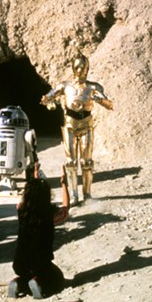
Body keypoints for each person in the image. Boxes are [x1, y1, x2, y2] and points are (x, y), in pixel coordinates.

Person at [41, 53, 113, 205]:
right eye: (77, 66)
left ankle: (87, 194)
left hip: (86, 124)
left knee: (86, 162)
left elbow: (109, 104)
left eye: (83, 66)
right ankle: (74, 195)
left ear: (87, 68)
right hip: (69, 124)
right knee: (71, 162)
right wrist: (49, 102)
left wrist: (99, 99)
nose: (80, 70)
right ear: (73, 68)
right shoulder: (65, 86)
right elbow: (46, 97)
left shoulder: (93, 87)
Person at [9, 178, 65, 299]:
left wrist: (34, 180)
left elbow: (31, 195)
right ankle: (38, 282)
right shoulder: (50, 212)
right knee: (57, 277)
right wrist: (64, 185)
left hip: (19, 263)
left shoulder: (21, 210)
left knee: (26, 274)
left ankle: (18, 282)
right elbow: (66, 207)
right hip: (40, 263)